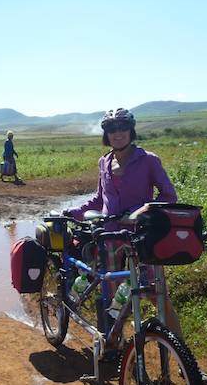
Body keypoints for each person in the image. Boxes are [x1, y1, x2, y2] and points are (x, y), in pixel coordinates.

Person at [63, 108, 183, 335]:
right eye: (111, 129)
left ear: (131, 130)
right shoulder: (104, 162)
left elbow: (169, 195)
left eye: (122, 128)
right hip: (110, 238)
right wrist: (73, 212)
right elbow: (100, 199)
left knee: (157, 294)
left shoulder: (148, 160)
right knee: (112, 291)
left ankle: (183, 357)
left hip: (141, 237)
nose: (117, 133)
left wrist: (144, 210)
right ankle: (115, 344)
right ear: (106, 134)